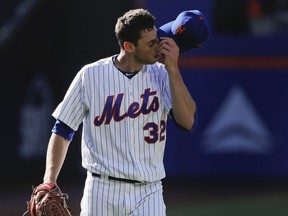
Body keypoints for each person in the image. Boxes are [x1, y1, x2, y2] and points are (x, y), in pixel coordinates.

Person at [38, 8, 201, 215]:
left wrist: (174, 70)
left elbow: (188, 122)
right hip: (101, 190)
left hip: (148, 191)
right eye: (150, 43)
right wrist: (49, 181)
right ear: (129, 46)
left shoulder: (162, 73)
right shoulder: (91, 75)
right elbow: (63, 129)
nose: (157, 46)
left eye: (156, 39)